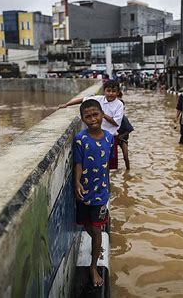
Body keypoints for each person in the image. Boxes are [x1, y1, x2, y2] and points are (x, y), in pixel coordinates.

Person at [73, 99, 113, 287]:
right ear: (82, 119)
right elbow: (78, 164)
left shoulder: (109, 137)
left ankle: (93, 266)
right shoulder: (80, 139)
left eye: (95, 114)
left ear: (102, 114)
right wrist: (77, 183)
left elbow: (106, 166)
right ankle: (96, 249)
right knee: (86, 225)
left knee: (97, 229)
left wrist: (108, 186)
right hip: (85, 191)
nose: (92, 119)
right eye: (87, 116)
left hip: (101, 193)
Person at [59, 80, 124, 169]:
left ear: (118, 92)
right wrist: (67, 104)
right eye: (108, 91)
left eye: (114, 91)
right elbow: (82, 100)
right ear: (104, 91)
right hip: (94, 136)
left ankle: (106, 181)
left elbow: (116, 122)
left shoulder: (119, 104)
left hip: (110, 137)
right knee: (95, 161)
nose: (111, 93)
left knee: (108, 163)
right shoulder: (99, 99)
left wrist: (103, 115)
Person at [116, 94, 134, 169]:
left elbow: (129, 129)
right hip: (113, 139)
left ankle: (128, 170)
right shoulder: (111, 117)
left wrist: (121, 136)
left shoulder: (124, 118)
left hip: (122, 140)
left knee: (126, 157)